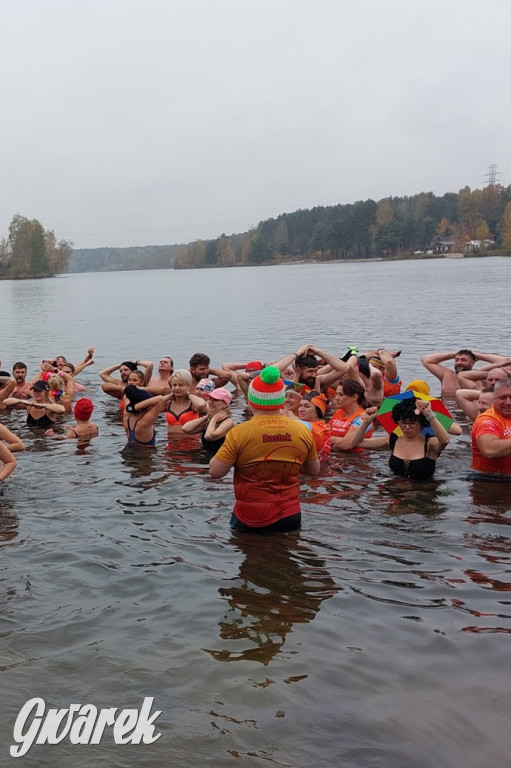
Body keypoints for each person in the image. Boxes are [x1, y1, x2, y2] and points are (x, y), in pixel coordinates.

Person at [209, 366, 319, 533]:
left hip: (250, 517)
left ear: (251, 400)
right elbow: (313, 470)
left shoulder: (240, 433)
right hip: (290, 515)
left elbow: (215, 472)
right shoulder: (302, 430)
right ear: (281, 401)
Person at [350, 397, 450, 480]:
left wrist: (429, 414)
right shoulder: (392, 440)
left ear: (421, 423)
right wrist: (366, 421)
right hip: (396, 491)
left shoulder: (430, 444)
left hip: (423, 493)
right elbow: (356, 443)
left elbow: (445, 441)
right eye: (403, 422)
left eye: (412, 423)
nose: (407, 427)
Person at [420, 349, 507, 395]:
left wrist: (480, 356)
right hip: (449, 411)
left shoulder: (480, 375)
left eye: (463, 360)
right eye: (456, 360)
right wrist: (454, 354)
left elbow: (506, 362)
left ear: (472, 363)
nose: (459, 363)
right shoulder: (447, 375)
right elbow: (426, 360)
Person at [471, 378, 511, 477]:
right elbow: (489, 450)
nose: (508, 402)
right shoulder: (486, 419)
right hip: (489, 481)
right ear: (493, 400)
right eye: (503, 398)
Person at [182, 387, 234, 452]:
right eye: (210, 399)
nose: (210, 402)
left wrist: (214, 420)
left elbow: (209, 436)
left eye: (215, 399)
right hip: (205, 457)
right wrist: (206, 417)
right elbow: (186, 428)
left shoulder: (228, 422)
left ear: (225, 404)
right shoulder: (209, 419)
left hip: (219, 458)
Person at [329, 379, 373, 452]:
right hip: (336, 456)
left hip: (354, 459)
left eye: (341, 395)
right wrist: (339, 440)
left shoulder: (362, 418)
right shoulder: (338, 412)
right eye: (336, 394)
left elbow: (346, 445)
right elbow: (324, 434)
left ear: (354, 397)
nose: (336, 398)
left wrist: (330, 441)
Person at [165, 369, 207, 436]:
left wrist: (188, 394)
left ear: (189, 386)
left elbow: (201, 404)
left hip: (190, 443)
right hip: (171, 443)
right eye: (174, 385)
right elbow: (154, 404)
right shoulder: (168, 403)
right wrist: (170, 395)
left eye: (181, 385)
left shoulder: (193, 404)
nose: (177, 388)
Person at [297, 390, 331, 460]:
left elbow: (289, 423)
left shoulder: (310, 427)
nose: (301, 409)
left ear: (317, 412)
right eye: (300, 406)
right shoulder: (322, 425)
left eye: (307, 406)